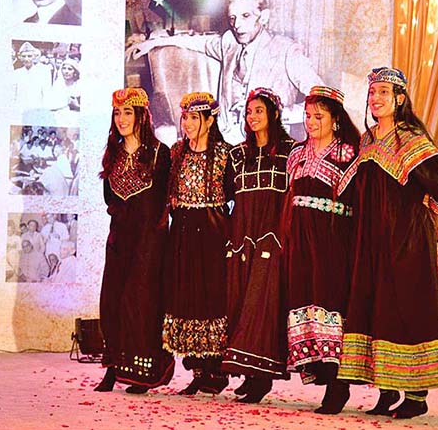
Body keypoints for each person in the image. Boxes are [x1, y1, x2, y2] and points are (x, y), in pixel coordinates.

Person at [337, 67, 438, 419]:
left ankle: (417, 394)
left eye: (383, 94)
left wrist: (428, 208)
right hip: (372, 239)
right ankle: (386, 388)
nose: (375, 99)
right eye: (372, 93)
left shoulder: (410, 138)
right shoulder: (369, 139)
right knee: (376, 307)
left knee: (407, 307)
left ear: (400, 99)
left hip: (406, 239)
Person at [126, 0, 323, 144]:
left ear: (263, 17)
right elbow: (195, 41)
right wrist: (151, 42)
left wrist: (283, 113)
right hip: (227, 144)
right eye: (233, 18)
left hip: (269, 148)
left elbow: (323, 97)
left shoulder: (286, 50)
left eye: (246, 16)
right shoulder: (229, 42)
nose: (237, 25)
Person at [282, 85, 360, 414]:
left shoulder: (349, 153)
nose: (311, 122)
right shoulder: (297, 154)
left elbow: (357, 202)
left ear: (335, 119)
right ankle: (321, 374)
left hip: (332, 240)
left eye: (318, 116)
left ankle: (338, 385)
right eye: (307, 116)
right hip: (300, 240)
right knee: (304, 302)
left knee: (330, 304)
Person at [94, 88, 175, 393]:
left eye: (128, 112)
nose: (122, 119)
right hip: (120, 240)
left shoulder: (159, 153)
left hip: (149, 241)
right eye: (118, 113)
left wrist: (154, 239)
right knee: (113, 300)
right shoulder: (112, 156)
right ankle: (114, 368)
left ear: (141, 116)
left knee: (141, 303)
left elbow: (162, 201)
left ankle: (144, 373)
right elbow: (109, 200)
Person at [220, 88, 294, 403]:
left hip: (272, 235)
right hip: (242, 237)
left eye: (259, 111)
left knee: (263, 303)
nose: (252, 117)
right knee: (240, 299)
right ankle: (249, 375)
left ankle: (263, 376)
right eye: (249, 112)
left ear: (274, 113)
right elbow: (225, 195)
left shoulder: (290, 151)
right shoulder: (237, 155)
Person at [162, 92, 233, 395]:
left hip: (212, 231)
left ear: (210, 120)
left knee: (211, 295)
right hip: (183, 232)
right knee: (186, 294)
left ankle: (215, 368)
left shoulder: (225, 155)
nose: (188, 124)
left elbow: (233, 195)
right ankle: (196, 367)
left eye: (194, 118)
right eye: (186, 117)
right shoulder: (177, 152)